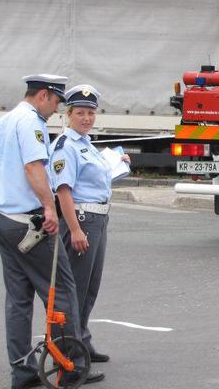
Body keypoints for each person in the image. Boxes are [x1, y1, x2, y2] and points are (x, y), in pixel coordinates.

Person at [0, 75, 104, 389]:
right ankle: (71, 369)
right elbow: (33, 167)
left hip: (1, 218)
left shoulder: (4, 121)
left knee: (18, 298)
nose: (55, 110)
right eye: (55, 102)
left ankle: (23, 371)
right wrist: (48, 207)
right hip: (29, 222)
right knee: (63, 290)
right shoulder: (31, 123)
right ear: (42, 95)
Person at [50, 84, 129, 366]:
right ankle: (68, 351)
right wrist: (74, 229)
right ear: (68, 115)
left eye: (90, 113)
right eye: (80, 113)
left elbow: (96, 181)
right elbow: (63, 190)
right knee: (75, 289)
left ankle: (81, 339)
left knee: (90, 287)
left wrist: (117, 163)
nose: (86, 118)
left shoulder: (87, 145)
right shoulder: (65, 146)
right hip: (82, 219)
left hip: (98, 219)